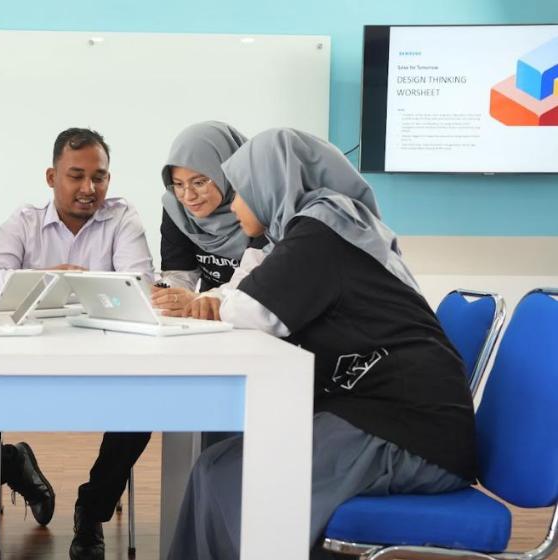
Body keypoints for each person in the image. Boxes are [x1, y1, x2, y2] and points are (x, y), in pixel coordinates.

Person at [169, 128, 477, 560]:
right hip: (379, 414)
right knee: (214, 468)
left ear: (270, 183)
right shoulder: (325, 225)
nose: (233, 205)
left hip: (411, 435)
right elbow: (251, 294)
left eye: (239, 192)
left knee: (232, 481)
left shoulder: (320, 230)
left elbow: (254, 308)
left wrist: (205, 304)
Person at [0, 127, 155, 560]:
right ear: (52, 177)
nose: (89, 188)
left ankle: (91, 510)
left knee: (142, 409)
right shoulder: (25, 221)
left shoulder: (122, 218)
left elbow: (140, 285)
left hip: (105, 362)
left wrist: (64, 286)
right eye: (76, 176)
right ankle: (15, 467)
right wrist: (50, 278)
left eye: (99, 177)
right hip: (24, 362)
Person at [150, 121, 267, 320]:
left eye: (199, 182)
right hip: (208, 318)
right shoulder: (176, 207)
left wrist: (201, 300)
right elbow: (180, 273)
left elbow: (253, 282)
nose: (189, 196)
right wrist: (165, 293)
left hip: (252, 316)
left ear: (228, 173)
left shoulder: (259, 204)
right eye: (178, 184)